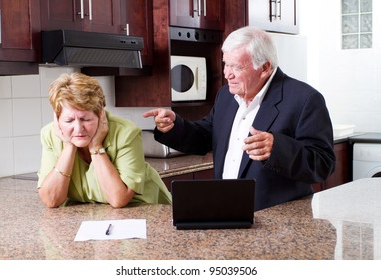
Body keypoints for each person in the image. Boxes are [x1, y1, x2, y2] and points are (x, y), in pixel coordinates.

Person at [143, 26, 335, 211]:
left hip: (278, 220)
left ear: (265, 67)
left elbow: (323, 165)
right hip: (227, 210)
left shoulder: (305, 99)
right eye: (226, 63)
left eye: (237, 66)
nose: (227, 73)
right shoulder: (226, 95)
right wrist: (174, 126)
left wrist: (278, 149)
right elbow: (205, 136)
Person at [38, 72, 171, 208]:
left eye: (86, 119)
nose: (78, 128)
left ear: (100, 114)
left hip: (146, 210)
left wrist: (96, 147)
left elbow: (119, 199)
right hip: (91, 216)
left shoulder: (126, 132)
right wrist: (68, 146)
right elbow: (51, 200)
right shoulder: (50, 134)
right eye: (69, 120)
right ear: (57, 118)